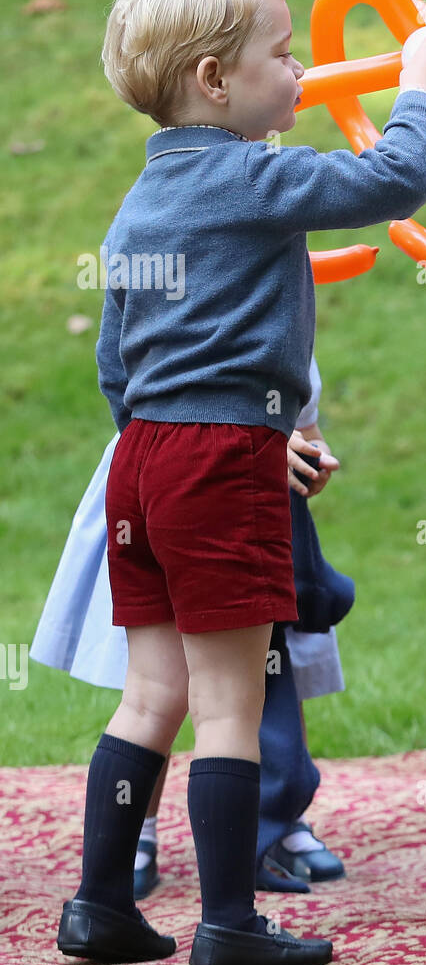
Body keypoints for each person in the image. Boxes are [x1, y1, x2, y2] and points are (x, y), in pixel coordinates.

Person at [57, 0, 426, 965]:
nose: (299, 77)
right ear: (213, 80)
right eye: (280, 57)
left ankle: (100, 903)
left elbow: (119, 358)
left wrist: (178, 439)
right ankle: (231, 920)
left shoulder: (143, 196)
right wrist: (420, 92)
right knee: (231, 700)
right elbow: (390, 179)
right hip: (217, 461)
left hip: (142, 458)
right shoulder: (252, 171)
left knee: (150, 694)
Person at [31, 356, 350, 900]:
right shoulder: (189, 289)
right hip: (184, 475)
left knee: (268, 665)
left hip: (243, 490)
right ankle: (146, 842)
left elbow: (303, 417)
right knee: (169, 687)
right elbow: (118, 370)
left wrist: (299, 456)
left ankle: (275, 818)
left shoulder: (284, 303)